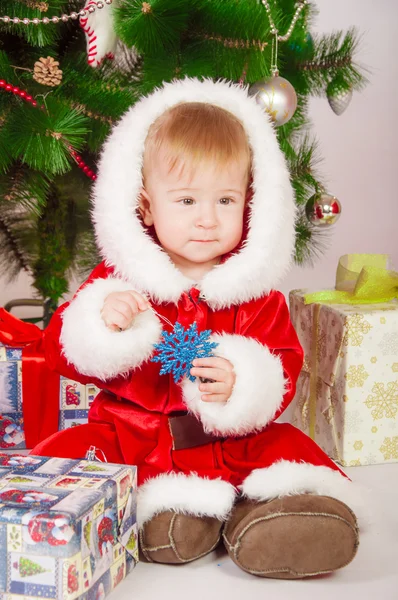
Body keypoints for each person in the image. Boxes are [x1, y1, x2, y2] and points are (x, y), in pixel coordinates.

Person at [33, 78, 361, 578]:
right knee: (94, 475)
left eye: (225, 201)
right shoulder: (119, 280)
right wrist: (103, 321)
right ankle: (173, 516)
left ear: (249, 204)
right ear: (146, 206)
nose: (207, 220)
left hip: (230, 443)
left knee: (279, 468)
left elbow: (285, 364)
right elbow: (59, 351)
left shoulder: (254, 292)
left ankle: (278, 523)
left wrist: (246, 382)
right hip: (137, 437)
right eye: (187, 202)